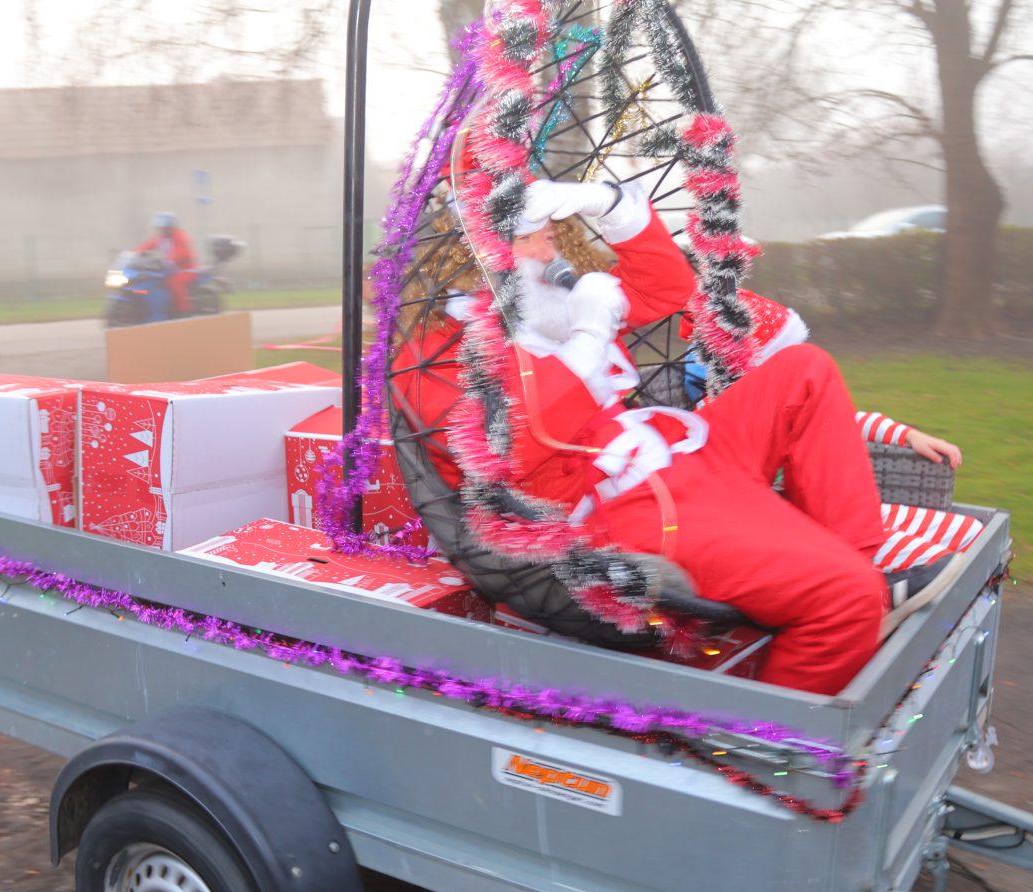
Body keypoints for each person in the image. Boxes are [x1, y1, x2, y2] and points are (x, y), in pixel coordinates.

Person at [394, 178, 969, 695]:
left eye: (550, 235)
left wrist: (605, 202)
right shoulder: (431, 358)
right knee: (843, 599)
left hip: (668, 452)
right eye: (527, 240)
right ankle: (755, 745)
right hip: (615, 507)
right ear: (472, 255)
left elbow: (667, 287)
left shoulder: (548, 311)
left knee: (804, 370)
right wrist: (591, 333)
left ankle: (864, 568)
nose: (548, 254)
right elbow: (513, 446)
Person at [135, 212, 198, 315]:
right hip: (169, 269)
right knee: (152, 280)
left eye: (164, 227)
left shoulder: (180, 236)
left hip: (185, 269)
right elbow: (148, 245)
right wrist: (135, 252)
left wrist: (169, 260)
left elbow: (182, 251)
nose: (162, 230)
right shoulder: (160, 238)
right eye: (160, 228)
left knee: (174, 282)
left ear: (170, 227)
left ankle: (184, 310)